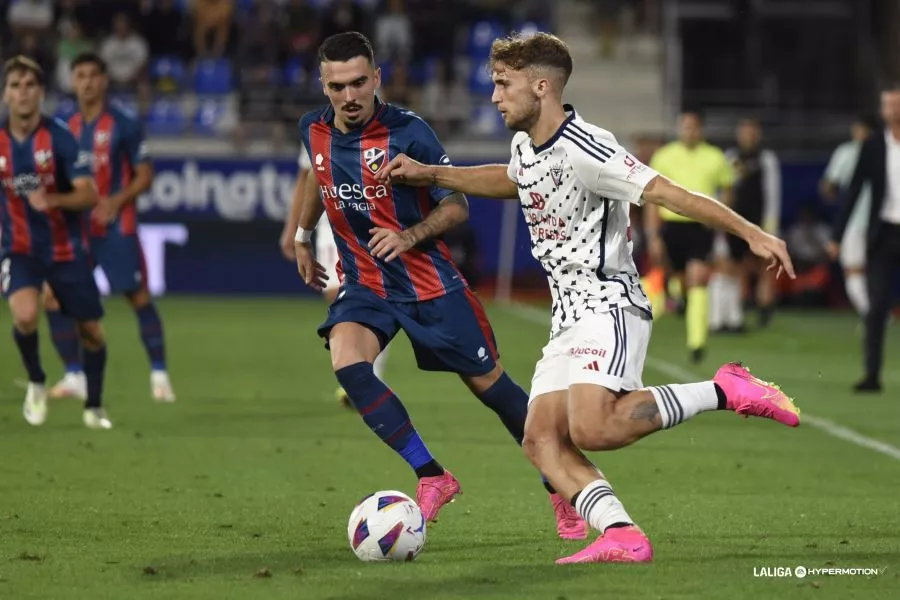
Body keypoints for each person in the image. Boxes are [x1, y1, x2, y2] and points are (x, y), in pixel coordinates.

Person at [378, 32, 800, 564]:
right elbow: (513, 179)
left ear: (541, 86)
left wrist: (753, 234)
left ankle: (725, 388)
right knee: (540, 439)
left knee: (594, 426)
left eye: (503, 85)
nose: (494, 97)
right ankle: (621, 533)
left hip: (608, 303)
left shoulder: (590, 148)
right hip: (567, 318)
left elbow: (672, 193)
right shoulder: (525, 143)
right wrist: (432, 173)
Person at [293, 32, 588, 539]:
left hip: (428, 283)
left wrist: (409, 235)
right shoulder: (313, 130)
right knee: (348, 363)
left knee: (494, 391)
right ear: (324, 85)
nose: (349, 96)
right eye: (337, 86)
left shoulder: (410, 132)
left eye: (359, 82)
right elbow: (319, 182)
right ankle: (432, 476)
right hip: (366, 283)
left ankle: (560, 486)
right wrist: (301, 235)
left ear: (377, 77)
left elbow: (457, 206)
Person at [45, 52, 175, 403]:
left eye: (92, 75)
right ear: (73, 82)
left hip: (116, 228)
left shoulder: (125, 123)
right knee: (54, 298)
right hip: (75, 232)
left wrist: (116, 201)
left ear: (104, 80)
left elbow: (145, 175)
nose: (87, 82)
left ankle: (159, 374)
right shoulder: (62, 129)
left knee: (138, 297)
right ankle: (75, 376)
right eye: (80, 75)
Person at [1, 55, 112, 429]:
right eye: (15, 85)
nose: (23, 92)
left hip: (66, 251)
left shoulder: (60, 137)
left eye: (30, 85)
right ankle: (36, 380)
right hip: (19, 249)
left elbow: (89, 193)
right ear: (5, 94)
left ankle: (94, 406)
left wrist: (53, 200)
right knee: (26, 315)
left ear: (41, 92)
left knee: (92, 333)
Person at [280, 145, 390, 407]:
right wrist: (293, 229)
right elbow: (307, 177)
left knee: (373, 294)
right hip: (333, 219)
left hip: (372, 217)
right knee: (336, 295)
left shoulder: (378, 121)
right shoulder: (316, 127)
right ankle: (359, 375)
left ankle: (367, 378)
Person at [646, 111, 734, 362]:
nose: (689, 131)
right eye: (685, 126)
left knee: (698, 277)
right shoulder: (664, 156)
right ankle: (677, 295)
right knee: (680, 280)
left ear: (701, 129)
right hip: (671, 226)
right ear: (679, 128)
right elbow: (652, 198)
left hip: (700, 226)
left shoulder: (715, 157)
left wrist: (720, 219)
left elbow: (727, 191)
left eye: (694, 127)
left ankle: (697, 342)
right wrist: (653, 235)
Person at [828, 88, 900, 393]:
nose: (892, 109)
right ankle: (872, 374)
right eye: (888, 104)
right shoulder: (872, 146)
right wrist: (837, 235)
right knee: (876, 305)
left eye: (897, 103)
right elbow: (854, 190)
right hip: (882, 232)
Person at [713, 117, 781, 331]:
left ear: (758, 134)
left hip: (760, 221)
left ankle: (765, 307)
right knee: (736, 265)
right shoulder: (731, 157)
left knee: (764, 266)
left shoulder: (767, 158)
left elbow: (773, 192)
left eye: (752, 131)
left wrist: (771, 224)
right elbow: (724, 189)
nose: (748, 135)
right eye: (745, 131)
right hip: (737, 221)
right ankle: (738, 309)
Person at [821, 115, 877, 318]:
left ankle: (872, 315)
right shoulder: (887, 150)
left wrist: (834, 195)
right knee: (872, 272)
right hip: (882, 222)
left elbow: (828, 186)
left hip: (856, 221)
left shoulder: (848, 152)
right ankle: (875, 314)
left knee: (854, 271)